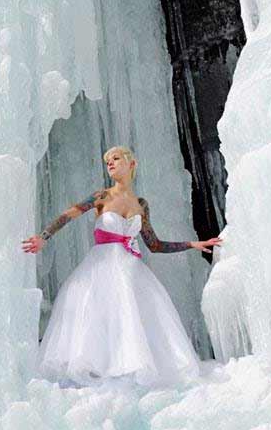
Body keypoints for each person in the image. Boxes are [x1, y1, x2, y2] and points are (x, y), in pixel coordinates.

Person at [21, 146, 223, 386]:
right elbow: (68, 216)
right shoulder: (101, 197)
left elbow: (154, 244)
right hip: (100, 268)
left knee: (134, 315)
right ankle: (99, 371)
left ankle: (135, 370)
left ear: (131, 164)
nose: (110, 163)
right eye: (107, 161)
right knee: (97, 315)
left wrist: (193, 243)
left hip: (132, 271)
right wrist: (43, 237)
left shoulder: (141, 205)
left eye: (116, 158)